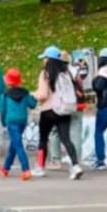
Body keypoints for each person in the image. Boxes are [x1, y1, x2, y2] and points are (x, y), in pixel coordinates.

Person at [32, 46, 84, 180]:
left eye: (45, 58)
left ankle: (40, 167)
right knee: (66, 139)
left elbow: (43, 95)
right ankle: (76, 165)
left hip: (48, 110)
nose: (43, 60)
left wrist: (33, 94)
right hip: (64, 110)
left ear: (49, 59)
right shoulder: (66, 73)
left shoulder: (45, 73)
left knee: (43, 139)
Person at [0, 68, 35, 180]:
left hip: (11, 122)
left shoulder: (5, 94)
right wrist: (33, 97)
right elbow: (32, 104)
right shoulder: (25, 93)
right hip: (22, 122)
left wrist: (4, 122)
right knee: (14, 145)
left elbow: (2, 110)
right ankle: (6, 167)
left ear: (8, 81)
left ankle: (26, 169)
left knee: (18, 145)